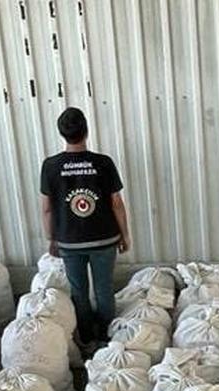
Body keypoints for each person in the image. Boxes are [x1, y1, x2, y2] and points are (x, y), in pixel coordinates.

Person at [39, 107, 130, 349]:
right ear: (86, 130)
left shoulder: (50, 166)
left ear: (62, 133)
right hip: (104, 239)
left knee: (79, 292)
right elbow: (116, 203)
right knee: (104, 289)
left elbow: (47, 208)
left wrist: (52, 238)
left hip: (69, 241)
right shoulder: (103, 163)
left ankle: (87, 340)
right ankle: (108, 339)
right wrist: (124, 234)